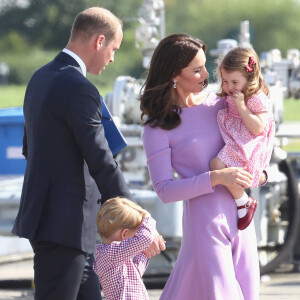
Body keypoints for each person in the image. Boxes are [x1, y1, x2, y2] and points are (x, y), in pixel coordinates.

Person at [12, 7, 164, 300]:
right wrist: (139, 219)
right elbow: (101, 160)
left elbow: (29, 148)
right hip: (65, 225)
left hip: (51, 220)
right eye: (114, 49)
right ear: (99, 41)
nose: (112, 58)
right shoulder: (79, 88)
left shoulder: (39, 78)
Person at [140, 33, 260, 300]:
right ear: (174, 74)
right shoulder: (157, 128)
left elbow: (257, 137)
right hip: (205, 221)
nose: (206, 75)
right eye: (196, 70)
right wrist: (216, 178)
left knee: (249, 293)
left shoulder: (222, 105)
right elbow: (165, 190)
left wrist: (259, 173)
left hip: (242, 215)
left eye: (205, 66)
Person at [210, 47, 275, 230]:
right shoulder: (232, 94)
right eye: (225, 81)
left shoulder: (255, 98)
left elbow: (258, 128)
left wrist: (241, 106)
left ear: (249, 78)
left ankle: (243, 201)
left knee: (216, 165)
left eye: (235, 82)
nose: (229, 87)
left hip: (248, 142)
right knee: (223, 170)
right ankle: (241, 201)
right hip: (237, 139)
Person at [93, 197, 157, 300]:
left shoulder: (112, 254)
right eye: (136, 234)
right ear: (125, 233)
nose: (136, 238)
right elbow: (144, 239)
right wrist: (147, 218)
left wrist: (145, 252)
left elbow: (135, 272)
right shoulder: (110, 253)